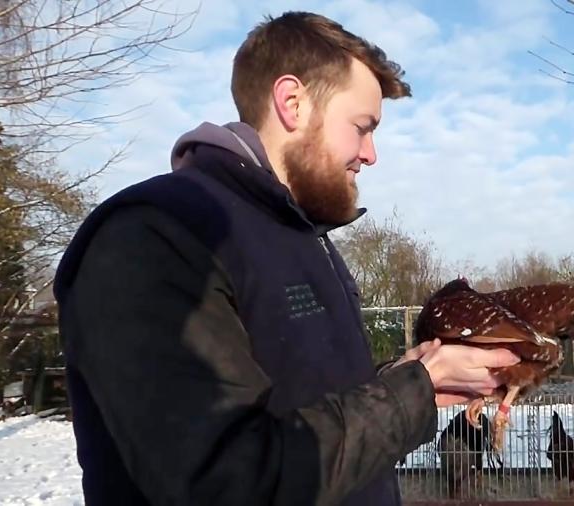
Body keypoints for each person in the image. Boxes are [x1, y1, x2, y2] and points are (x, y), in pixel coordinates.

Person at [52, 11, 520, 506]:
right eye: (362, 127)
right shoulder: (155, 235)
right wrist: (411, 395)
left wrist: (404, 382)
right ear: (292, 102)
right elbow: (225, 480)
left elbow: (307, 401)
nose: (371, 154)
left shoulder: (304, 236)